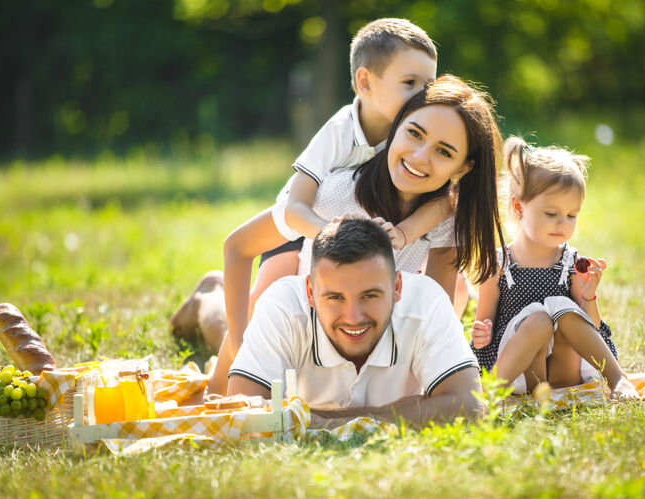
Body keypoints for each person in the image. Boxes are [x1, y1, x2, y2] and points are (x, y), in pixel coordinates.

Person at [202, 74, 506, 395]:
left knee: (457, 293)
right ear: (397, 125)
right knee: (241, 319)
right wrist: (233, 354)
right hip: (312, 300)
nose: (419, 157)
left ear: (462, 168)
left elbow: (434, 316)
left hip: (368, 315)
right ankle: (208, 296)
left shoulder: (446, 218)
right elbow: (239, 245)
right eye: (414, 134)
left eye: (444, 152)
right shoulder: (336, 193)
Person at [228, 219, 484, 428]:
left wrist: (315, 419)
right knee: (213, 323)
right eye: (335, 297)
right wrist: (416, 407)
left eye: (370, 296)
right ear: (310, 291)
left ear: (397, 287)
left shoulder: (425, 299)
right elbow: (242, 412)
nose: (353, 317)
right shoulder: (282, 304)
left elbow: (469, 405)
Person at [470, 137, 639, 399]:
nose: (563, 224)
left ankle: (617, 379)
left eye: (572, 215)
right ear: (518, 207)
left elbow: (590, 326)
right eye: (551, 214)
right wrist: (482, 331)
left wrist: (588, 296)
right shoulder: (498, 263)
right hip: (517, 373)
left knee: (562, 306)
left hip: (563, 376)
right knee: (539, 318)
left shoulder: (570, 262)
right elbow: (484, 321)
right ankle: (490, 394)